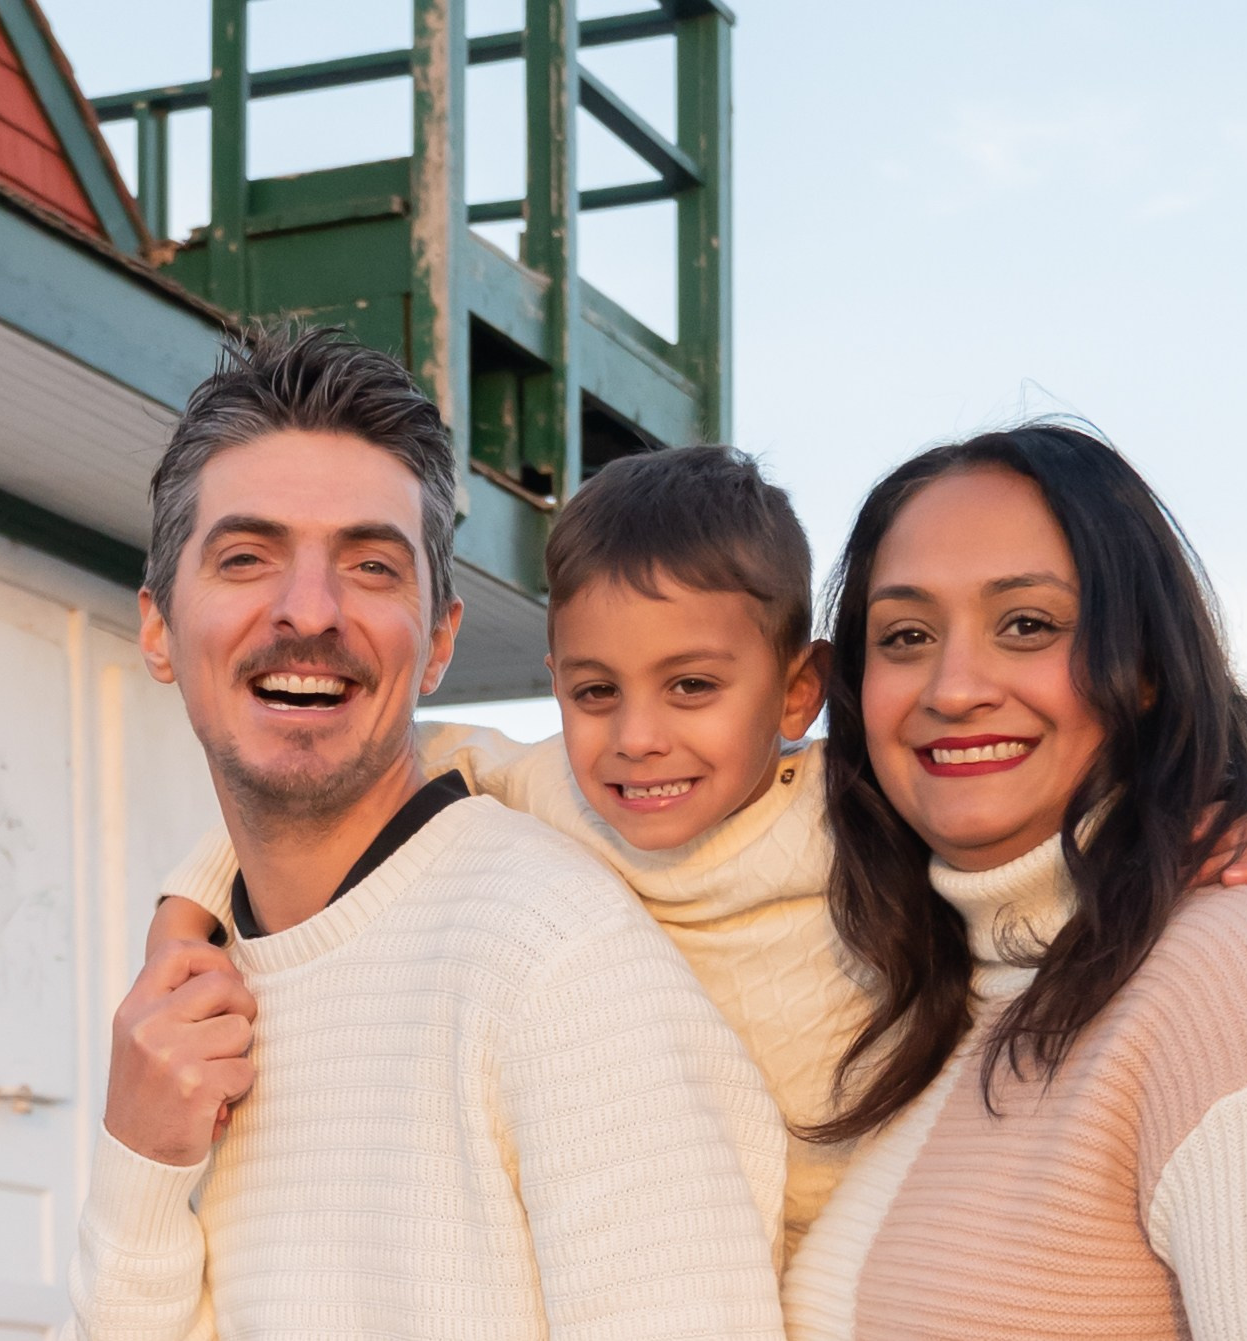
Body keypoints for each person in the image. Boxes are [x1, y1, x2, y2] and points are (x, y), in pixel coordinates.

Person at [149, 445, 1247, 1259]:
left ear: (798, 689)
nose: (638, 738)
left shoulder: (851, 811)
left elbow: (1059, 822)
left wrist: (1232, 812)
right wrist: (186, 915)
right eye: (594, 691)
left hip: (864, 1257)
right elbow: (320, 782)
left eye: (693, 688)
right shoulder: (538, 791)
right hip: (666, 1257)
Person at [68, 327, 787, 1341]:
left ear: (440, 639)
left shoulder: (552, 960)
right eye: (245, 557)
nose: (307, 611)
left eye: (369, 565)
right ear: (156, 629)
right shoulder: (184, 1004)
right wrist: (139, 1163)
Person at [782, 425, 1247, 1340]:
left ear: (1146, 674)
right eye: (905, 635)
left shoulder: (1243, 977)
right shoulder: (948, 997)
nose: (953, 685)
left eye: (1027, 624)